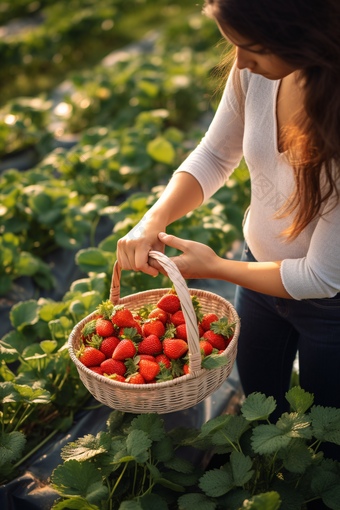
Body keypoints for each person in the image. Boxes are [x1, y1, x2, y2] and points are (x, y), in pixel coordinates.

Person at [117, 0, 340, 461]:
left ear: (304, 36)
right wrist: (151, 219)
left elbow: (321, 277)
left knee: (325, 440)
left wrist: (218, 267)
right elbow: (215, 154)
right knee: (261, 408)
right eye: (233, 43)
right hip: (257, 279)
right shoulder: (257, 72)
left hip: (330, 307)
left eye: (252, 47)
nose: (238, 60)